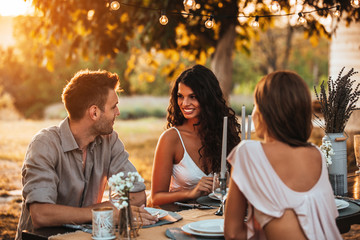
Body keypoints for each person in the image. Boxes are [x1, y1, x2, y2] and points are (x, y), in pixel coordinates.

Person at [16, 69, 157, 240]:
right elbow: (41, 214)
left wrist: (114, 209)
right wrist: (101, 212)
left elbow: (137, 195)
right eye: (113, 107)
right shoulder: (44, 145)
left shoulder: (109, 140)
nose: (118, 112)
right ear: (94, 112)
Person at [224, 70, 342, 240]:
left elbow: (233, 234)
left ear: (266, 112)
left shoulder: (248, 152)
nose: (254, 112)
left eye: (256, 104)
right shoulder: (317, 155)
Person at [149, 64, 241, 206]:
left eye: (193, 97)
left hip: (215, 215)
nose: (185, 103)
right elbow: (155, 198)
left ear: (208, 98)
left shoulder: (225, 133)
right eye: (180, 96)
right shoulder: (171, 138)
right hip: (180, 217)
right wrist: (192, 193)